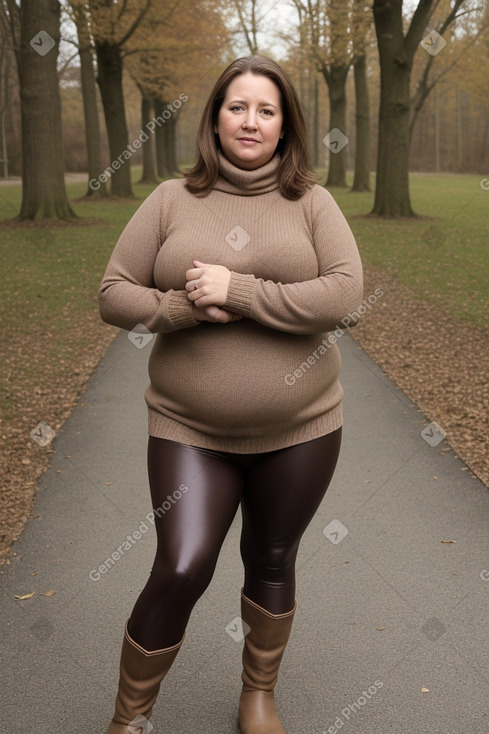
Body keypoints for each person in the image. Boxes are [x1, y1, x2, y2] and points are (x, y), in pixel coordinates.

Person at [98, 54, 363, 734]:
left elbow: (344, 293)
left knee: (272, 556)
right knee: (182, 564)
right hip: (189, 429)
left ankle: (257, 696)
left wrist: (239, 290)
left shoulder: (312, 203)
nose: (251, 120)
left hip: (302, 429)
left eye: (266, 110)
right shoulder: (169, 199)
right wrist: (182, 307)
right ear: (215, 118)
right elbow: (113, 293)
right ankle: (130, 720)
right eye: (237, 106)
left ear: (284, 126)